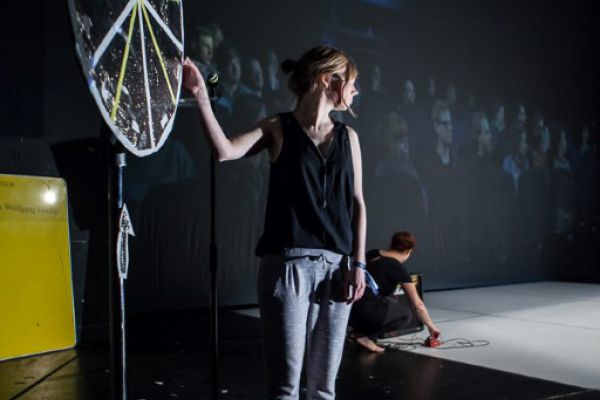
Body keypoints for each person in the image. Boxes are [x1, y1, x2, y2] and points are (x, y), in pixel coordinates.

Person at [182, 45, 367, 400]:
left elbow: (357, 203)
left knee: (324, 389)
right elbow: (224, 151)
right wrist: (201, 95)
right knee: (284, 389)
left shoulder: (349, 138)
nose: (356, 90)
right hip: (287, 269)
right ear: (326, 79)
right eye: (352, 81)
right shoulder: (277, 127)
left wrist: (358, 265)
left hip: (337, 271)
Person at [349, 232, 441, 352]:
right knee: (405, 315)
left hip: (349, 308)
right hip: (365, 311)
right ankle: (364, 337)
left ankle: (357, 331)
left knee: (387, 300)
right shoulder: (398, 268)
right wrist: (431, 327)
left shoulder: (372, 253)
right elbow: (418, 305)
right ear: (409, 251)